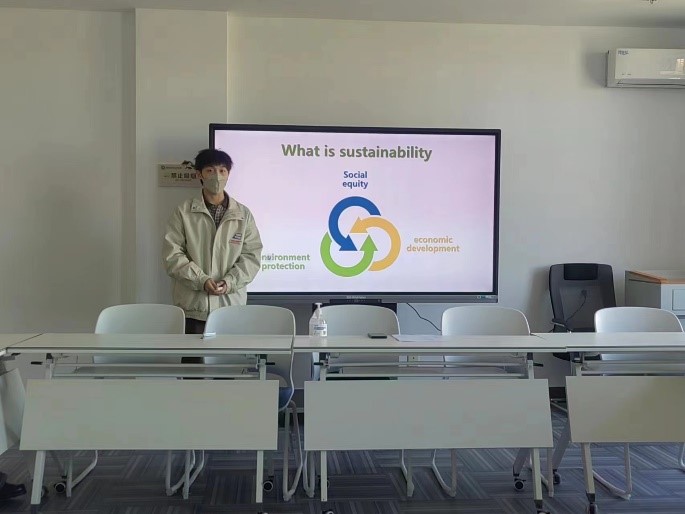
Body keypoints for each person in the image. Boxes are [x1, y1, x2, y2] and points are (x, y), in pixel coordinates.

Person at [163, 148, 263, 335]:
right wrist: (201, 280)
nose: (217, 176)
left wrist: (229, 282)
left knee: (230, 354)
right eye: (210, 170)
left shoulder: (243, 214)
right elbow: (172, 255)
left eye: (222, 170)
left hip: (230, 307)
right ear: (199, 174)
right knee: (193, 354)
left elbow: (252, 256)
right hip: (194, 308)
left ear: (228, 174)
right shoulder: (183, 212)